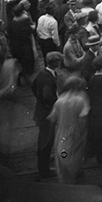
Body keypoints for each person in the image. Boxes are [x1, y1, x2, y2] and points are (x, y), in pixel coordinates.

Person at [49, 76, 90, 184]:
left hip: (61, 134)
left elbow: (52, 118)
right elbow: (83, 120)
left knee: (63, 155)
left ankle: (65, 178)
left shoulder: (59, 100)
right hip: (76, 134)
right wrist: (81, 135)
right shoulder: (80, 101)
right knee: (74, 157)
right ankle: (73, 180)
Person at [32, 52, 62, 180]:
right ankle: (44, 170)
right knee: (46, 142)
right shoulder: (48, 79)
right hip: (47, 116)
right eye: (59, 61)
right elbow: (48, 97)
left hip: (41, 112)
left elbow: (33, 86)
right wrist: (53, 108)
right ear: (55, 63)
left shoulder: (43, 73)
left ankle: (44, 162)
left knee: (45, 140)